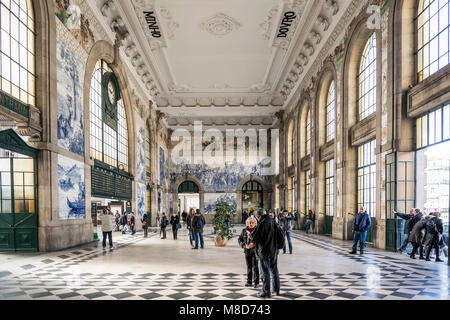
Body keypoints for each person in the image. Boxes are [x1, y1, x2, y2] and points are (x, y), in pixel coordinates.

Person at [250, 209, 280, 298]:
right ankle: (276, 289)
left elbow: (255, 237)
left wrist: (250, 236)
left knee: (265, 271)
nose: (257, 219)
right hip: (274, 250)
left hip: (265, 251)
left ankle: (266, 292)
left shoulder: (262, 223)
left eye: (256, 217)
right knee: (274, 270)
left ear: (259, 216)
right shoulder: (273, 221)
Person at [238, 217, 259, 289]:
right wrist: (243, 245)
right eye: (250, 222)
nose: (251, 224)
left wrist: (254, 244)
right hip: (247, 251)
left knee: (255, 267)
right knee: (249, 266)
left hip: (255, 251)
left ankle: (256, 282)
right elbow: (240, 239)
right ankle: (249, 281)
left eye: (252, 222)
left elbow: (260, 240)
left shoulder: (257, 230)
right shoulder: (244, 230)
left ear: (255, 223)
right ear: (247, 223)